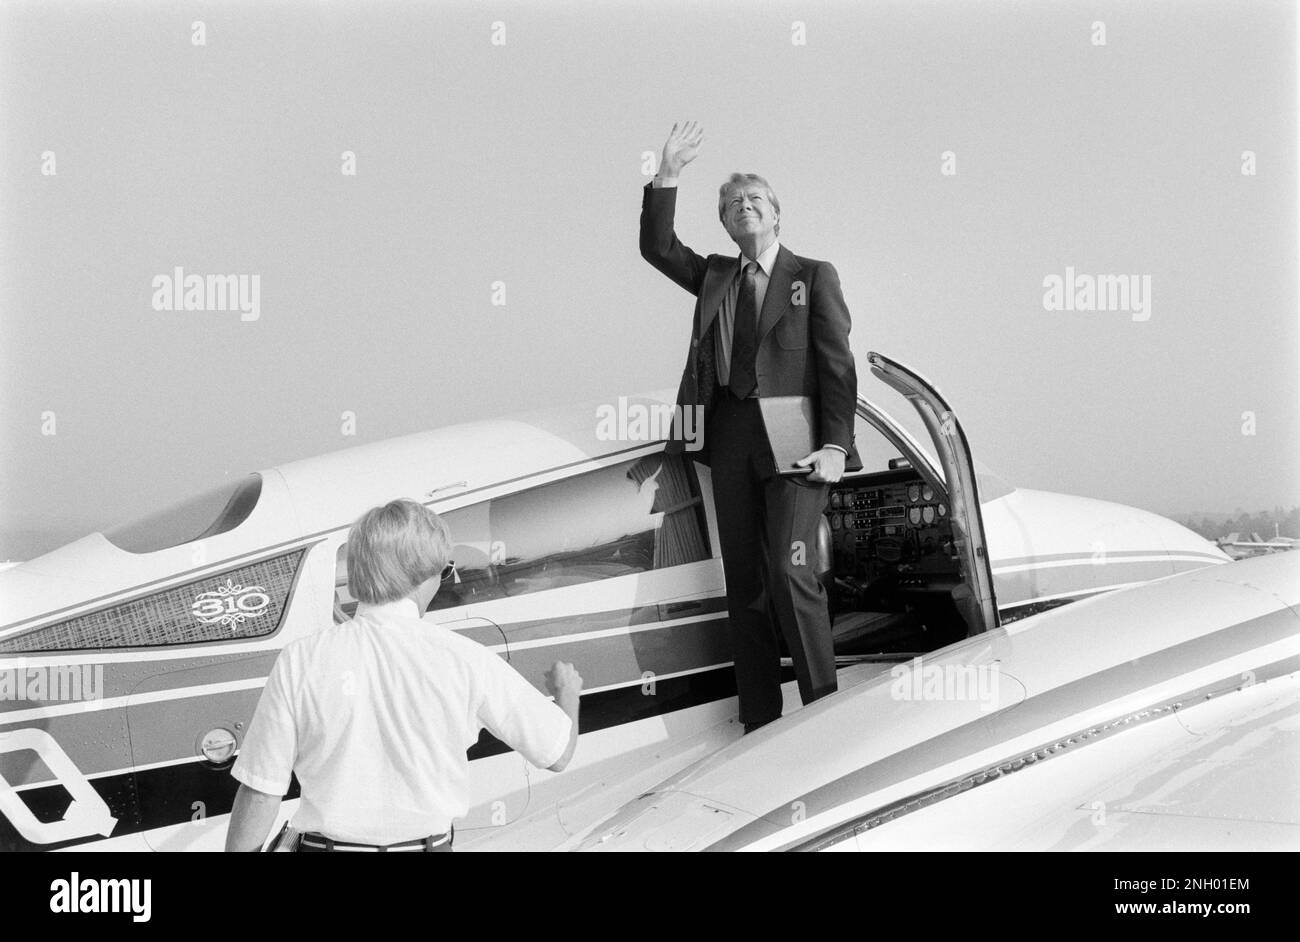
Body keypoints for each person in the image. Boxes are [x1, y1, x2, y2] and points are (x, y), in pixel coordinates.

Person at [640, 121, 860, 733]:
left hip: (796, 441)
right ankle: (759, 722)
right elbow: (659, 248)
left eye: (754, 200)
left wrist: (837, 445)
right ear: (726, 224)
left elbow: (838, 368)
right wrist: (670, 175)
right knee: (744, 584)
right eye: (732, 205)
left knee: (791, 569)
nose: (744, 208)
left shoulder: (813, 276)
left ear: (776, 215)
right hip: (730, 438)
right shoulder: (714, 276)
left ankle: (823, 712)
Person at [224, 498, 582, 852]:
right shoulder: (467, 658)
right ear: (423, 576)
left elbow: (260, 791)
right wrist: (568, 693)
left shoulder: (301, 659)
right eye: (444, 571)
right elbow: (557, 754)